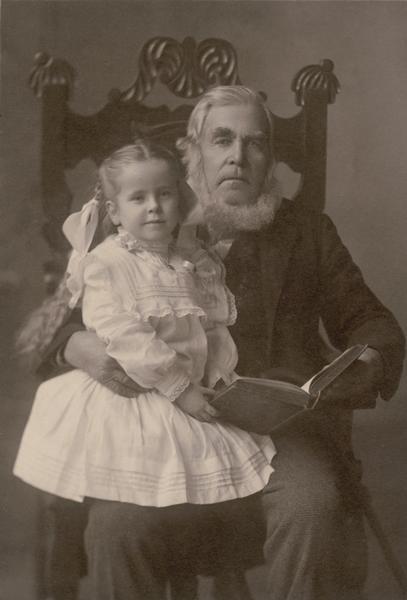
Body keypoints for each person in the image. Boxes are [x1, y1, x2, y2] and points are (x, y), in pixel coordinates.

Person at [30, 87, 404, 600]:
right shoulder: (145, 218)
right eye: (222, 139)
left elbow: (370, 320)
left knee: (311, 505)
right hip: (160, 424)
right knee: (116, 529)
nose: (237, 156)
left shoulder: (307, 231)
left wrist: (371, 355)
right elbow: (65, 314)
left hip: (280, 433)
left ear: (269, 158)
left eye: (254, 143)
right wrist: (77, 347)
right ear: (194, 149)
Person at [15, 140, 277, 597]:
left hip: (183, 394)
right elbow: (127, 337)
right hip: (133, 394)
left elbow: (210, 331)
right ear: (115, 212)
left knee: (204, 483)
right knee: (135, 488)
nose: (154, 208)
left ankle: (196, 576)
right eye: (138, 199)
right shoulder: (107, 264)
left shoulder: (192, 262)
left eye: (165, 195)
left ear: (181, 198)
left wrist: (220, 378)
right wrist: (181, 387)